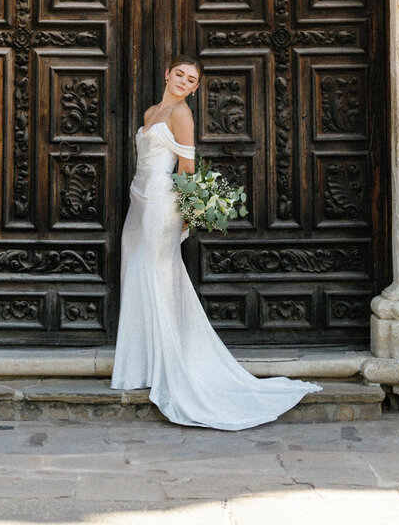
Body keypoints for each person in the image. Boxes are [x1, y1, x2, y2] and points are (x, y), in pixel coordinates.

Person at [111, 55, 320, 430]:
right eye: (179, 74)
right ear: (166, 73)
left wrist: (187, 212)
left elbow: (186, 169)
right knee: (136, 273)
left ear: (195, 87)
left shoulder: (182, 116)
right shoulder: (151, 112)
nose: (183, 82)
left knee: (156, 275)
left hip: (162, 201)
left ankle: (172, 369)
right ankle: (141, 365)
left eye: (191, 80)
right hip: (138, 201)